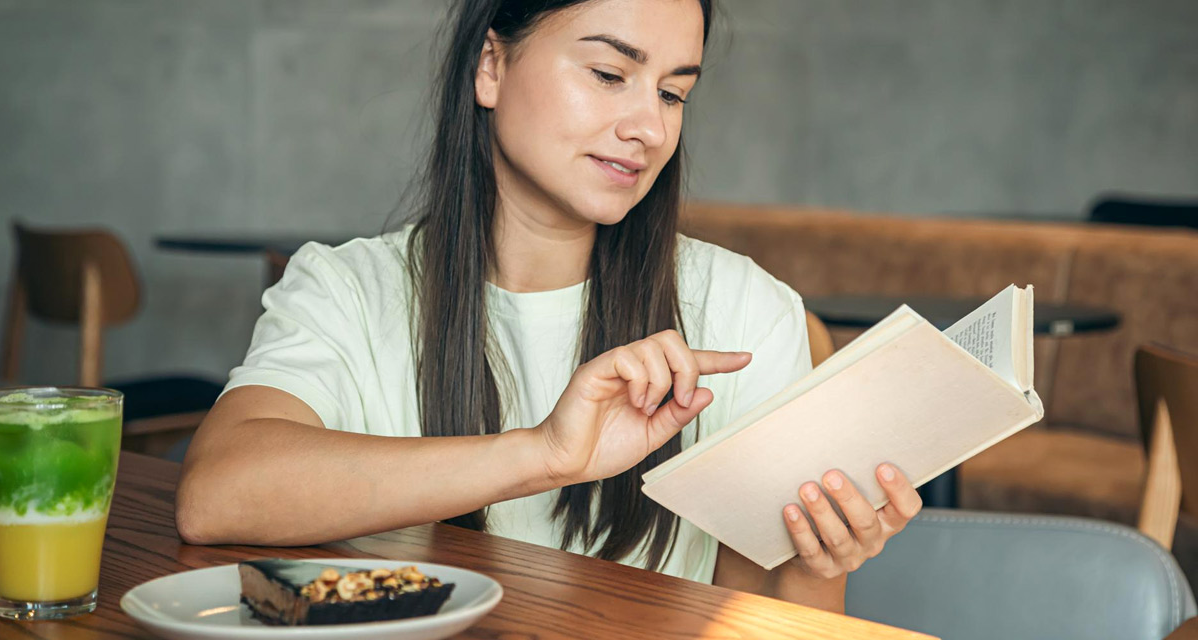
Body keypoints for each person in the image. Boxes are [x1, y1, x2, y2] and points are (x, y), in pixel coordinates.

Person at [175, 0, 922, 613]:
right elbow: (216, 494)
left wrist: (819, 561)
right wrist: (544, 453)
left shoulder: (744, 311)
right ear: (491, 66)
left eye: (672, 92)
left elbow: (771, 616)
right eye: (608, 74)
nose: (650, 129)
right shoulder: (347, 288)